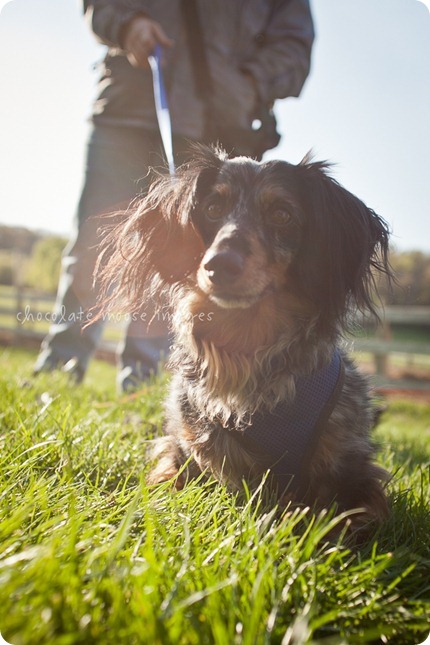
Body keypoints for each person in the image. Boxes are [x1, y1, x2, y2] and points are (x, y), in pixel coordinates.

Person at [34, 0, 314, 391]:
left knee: (180, 256)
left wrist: (244, 83)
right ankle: (60, 369)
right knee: (93, 244)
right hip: (128, 110)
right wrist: (127, 23)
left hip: (215, 128)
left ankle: (145, 383)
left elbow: (295, 49)